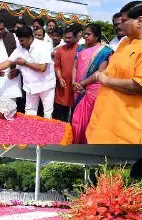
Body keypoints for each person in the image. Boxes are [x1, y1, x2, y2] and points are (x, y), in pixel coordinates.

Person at [86, 1, 142, 143]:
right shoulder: (124, 42)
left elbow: (138, 85)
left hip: (126, 128)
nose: (120, 25)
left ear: (140, 21)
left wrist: (104, 79)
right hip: (104, 120)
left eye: (124, 21)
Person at [0, 26, 56, 119]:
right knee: (30, 111)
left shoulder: (43, 46)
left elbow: (42, 68)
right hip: (30, 86)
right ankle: (31, 132)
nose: (20, 43)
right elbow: (7, 63)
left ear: (31, 38)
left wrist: (25, 63)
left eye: (22, 40)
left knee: (47, 113)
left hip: (45, 85)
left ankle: (47, 132)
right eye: (19, 40)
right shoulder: (20, 47)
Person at [71, 24, 113, 144]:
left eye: (88, 34)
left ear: (97, 36)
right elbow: (75, 67)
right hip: (77, 87)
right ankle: (76, 141)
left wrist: (82, 83)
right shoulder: (80, 48)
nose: (85, 36)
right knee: (77, 118)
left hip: (92, 89)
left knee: (89, 118)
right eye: (85, 33)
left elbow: (100, 72)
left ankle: (87, 142)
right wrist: (74, 82)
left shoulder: (105, 51)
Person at [53, 25, 81, 122]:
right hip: (62, 86)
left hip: (75, 87)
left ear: (76, 37)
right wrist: (60, 78)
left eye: (70, 38)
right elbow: (57, 66)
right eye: (66, 37)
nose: (67, 40)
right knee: (60, 117)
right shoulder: (60, 50)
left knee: (74, 117)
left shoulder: (81, 49)